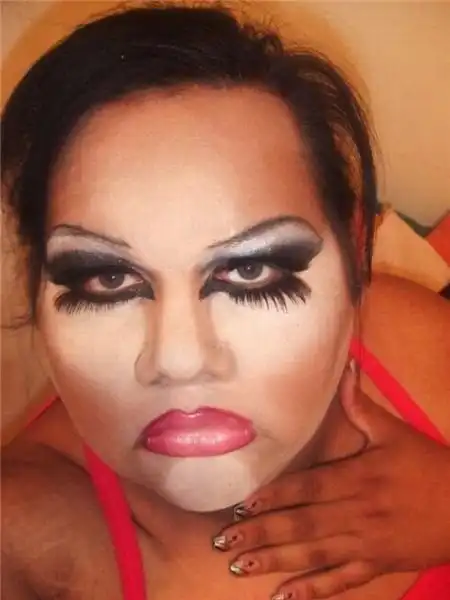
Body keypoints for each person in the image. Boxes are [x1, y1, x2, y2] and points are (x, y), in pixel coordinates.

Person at [1, 4, 449, 600]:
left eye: (249, 269)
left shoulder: (415, 337)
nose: (179, 360)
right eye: (107, 279)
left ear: (355, 254)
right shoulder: (27, 537)